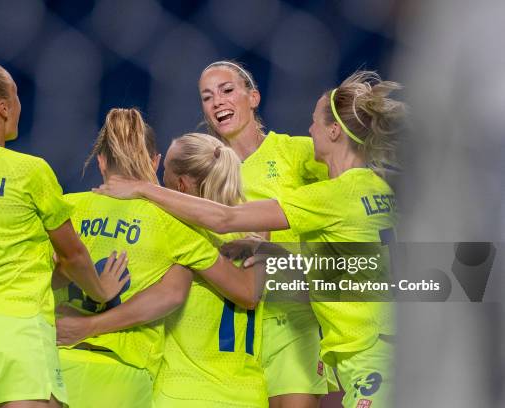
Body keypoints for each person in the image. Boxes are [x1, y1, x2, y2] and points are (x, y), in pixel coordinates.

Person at [96, 71, 407, 408]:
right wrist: (266, 249)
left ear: (334, 131)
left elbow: (224, 218)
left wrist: (144, 188)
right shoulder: (380, 189)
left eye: (314, 122)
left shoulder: (326, 192)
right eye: (207, 95)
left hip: (362, 351)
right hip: (388, 339)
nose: (310, 129)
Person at [0, 55, 128, 408]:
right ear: (3, 108)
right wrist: (101, 291)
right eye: (17, 96)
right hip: (15, 330)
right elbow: (74, 256)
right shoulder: (28, 170)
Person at [54, 109, 263, 408]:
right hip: (130, 376)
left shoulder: (64, 212)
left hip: (60, 361)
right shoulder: (183, 228)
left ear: (100, 161)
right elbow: (183, 294)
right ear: (154, 161)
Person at [198, 60, 333, 408]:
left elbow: (351, 180)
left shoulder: (294, 152)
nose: (217, 102)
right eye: (207, 97)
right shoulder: (205, 172)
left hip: (293, 319)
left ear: (253, 97)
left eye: (227, 90)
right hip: (234, 326)